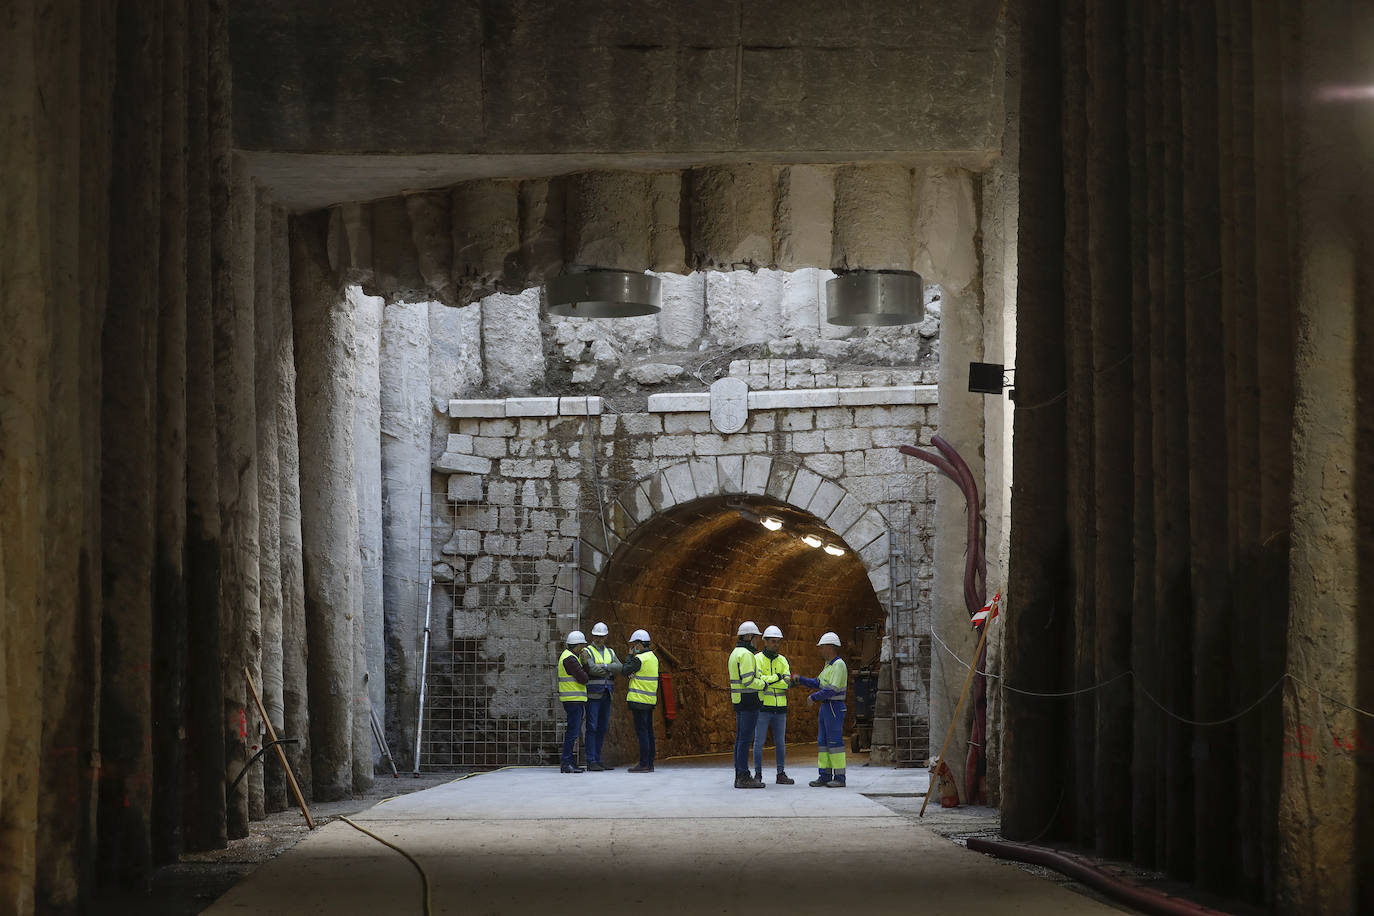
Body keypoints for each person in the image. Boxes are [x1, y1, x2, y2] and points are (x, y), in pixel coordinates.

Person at [729, 621, 781, 788]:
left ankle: (739, 774)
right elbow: (748, 680)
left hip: (739, 701)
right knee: (745, 740)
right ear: (749, 637)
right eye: (756, 637)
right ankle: (743, 776)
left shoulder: (734, 653)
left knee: (740, 740)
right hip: (749, 701)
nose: (757, 641)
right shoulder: (746, 655)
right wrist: (764, 685)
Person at [793, 631, 848, 787]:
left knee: (835, 742)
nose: (820, 650)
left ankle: (839, 778)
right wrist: (800, 679)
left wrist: (813, 697)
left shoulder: (839, 665)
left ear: (830, 647)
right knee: (823, 742)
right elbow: (818, 682)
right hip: (827, 708)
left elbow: (832, 689)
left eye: (822, 647)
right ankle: (824, 775)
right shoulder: (828, 665)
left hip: (834, 707)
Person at [753, 625, 795, 785]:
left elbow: (787, 684)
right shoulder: (757, 659)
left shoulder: (783, 660)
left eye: (778, 642)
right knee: (759, 742)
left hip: (780, 708)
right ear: (765, 642)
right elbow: (759, 681)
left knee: (780, 742)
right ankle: (757, 774)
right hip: (763, 707)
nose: (776, 645)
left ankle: (780, 773)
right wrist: (777, 678)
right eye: (773, 641)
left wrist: (770, 680)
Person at [579, 622, 619, 771]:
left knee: (602, 727)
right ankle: (591, 760)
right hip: (593, 694)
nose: (598, 639)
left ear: (606, 636)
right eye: (596, 636)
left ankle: (598, 759)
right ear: (592, 635)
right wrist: (609, 668)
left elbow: (620, 667)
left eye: (601, 636)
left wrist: (605, 667)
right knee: (592, 726)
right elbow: (591, 669)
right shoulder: (587, 651)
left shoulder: (610, 652)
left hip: (607, 693)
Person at [619, 629, 658, 772]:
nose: (634, 647)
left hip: (639, 701)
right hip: (649, 700)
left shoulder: (639, 659)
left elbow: (624, 670)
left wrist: (629, 656)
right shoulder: (653, 658)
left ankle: (643, 764)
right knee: (649, 732)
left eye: (635, 644)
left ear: (640, 645)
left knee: (642, 733)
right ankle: (650, 763)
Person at [557, 631, 590, 773]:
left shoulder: (570, 657)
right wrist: (585, 661)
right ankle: (566, 763)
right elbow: (584, 678)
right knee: (572, 732)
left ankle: (569, 762)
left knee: (573, 732)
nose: (583, 648)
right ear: (576, 646)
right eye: (582, 645)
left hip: (574, 700)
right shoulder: (570, 659)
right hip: (573, 700)